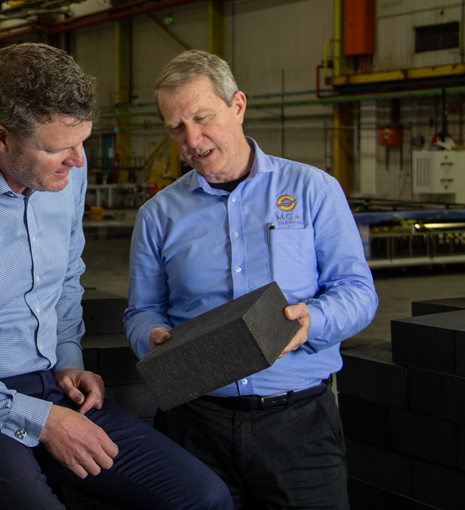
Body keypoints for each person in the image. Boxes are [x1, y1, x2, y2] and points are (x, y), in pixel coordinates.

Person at [0, 43, 232, 510]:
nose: (78, 161)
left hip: (46, 387)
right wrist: (42, 421)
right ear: (0, 136)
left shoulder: (64, 176)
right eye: (58, 148)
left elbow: (64, 282)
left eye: (81, 141)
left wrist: (67, 360)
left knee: (203, 497)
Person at [124, 50, 378, 510]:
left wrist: (311, 322)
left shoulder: (312, 191)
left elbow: (358, 292)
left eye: (203, 117)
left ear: (237, 105)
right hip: (194, 427)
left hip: (299, 426)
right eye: (175, 127)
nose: (192, 139)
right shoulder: (157, 215)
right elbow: (141, 310)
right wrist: (151, 338)